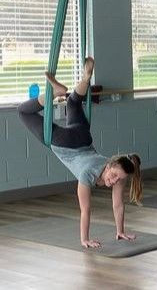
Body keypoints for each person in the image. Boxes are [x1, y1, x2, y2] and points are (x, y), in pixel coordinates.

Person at [18, 57, 143, 249]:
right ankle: (53, 94)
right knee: (23, 112)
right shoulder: (87, 175)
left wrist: (121, 231)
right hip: (65, 143)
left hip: (83, 137)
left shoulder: (120, 172)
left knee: (73, 103)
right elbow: (85, 209)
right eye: (114, 176)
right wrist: (84, 239)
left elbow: (118, 205)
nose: (114, 181)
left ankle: (83, 80)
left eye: (118, 179)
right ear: (109, 164)